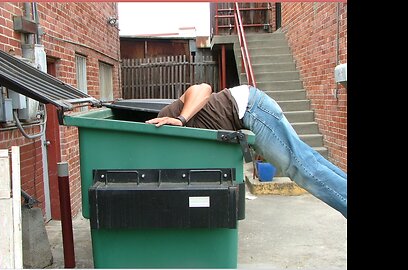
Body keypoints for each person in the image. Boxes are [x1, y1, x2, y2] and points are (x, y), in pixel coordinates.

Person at [146, 83, 347, 218]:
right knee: (308, 162)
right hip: (250, 112)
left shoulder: (166, 119)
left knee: (300, 168)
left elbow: (203, 88)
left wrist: (181, 119)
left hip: (251, 108)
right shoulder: (168, 150)